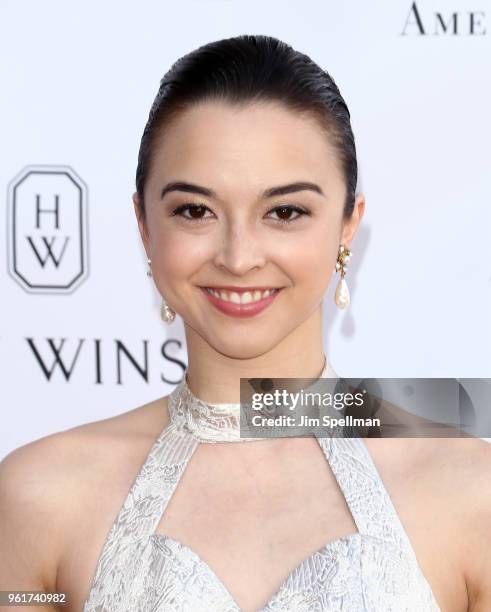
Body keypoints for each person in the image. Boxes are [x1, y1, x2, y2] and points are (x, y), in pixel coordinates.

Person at [1, 34, 490, 612]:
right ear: (143, 224)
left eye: (285, 212)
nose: (238, 257)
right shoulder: (39, 495)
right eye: (195, 210)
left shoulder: (470, 493)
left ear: (346, 226)